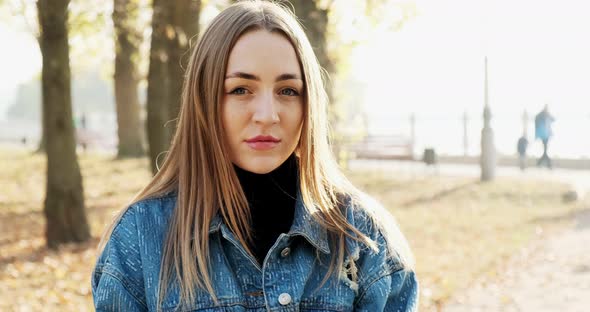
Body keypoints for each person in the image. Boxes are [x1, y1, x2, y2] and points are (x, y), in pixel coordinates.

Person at [91, 1, 418, 311]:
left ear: (309, 104)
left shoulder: (364, 237)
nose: (267, 114)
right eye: (240, 90)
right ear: (205, 101)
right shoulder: (139, 239)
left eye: (287, 91)